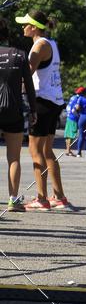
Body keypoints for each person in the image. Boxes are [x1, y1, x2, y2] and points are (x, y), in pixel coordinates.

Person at [15, 10, 69, 211]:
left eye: (26, 24)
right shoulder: (51, 43)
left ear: (34, 27)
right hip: (54, 100)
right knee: (47, 151)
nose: (23, 27)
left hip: (43, 102)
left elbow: (26, 77)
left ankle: (42, 198)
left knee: (35, 150)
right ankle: (59, 196)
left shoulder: (39, 47)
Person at [0, 17, 37, 211]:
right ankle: (13, 199)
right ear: (7, 36)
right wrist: (33, 110)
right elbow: (29, 87)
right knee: (13, 158)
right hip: (14, 111)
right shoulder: (20, 55)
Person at [64, 87, 84, 156]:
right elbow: (75, 109)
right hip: (73, 118)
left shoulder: (73, 97)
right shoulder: (79, 99)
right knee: (71, 135)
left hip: (69, 117)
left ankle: (68, 150)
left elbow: (68, 107)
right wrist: (78, 115)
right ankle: (67, 150)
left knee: (68, 134)